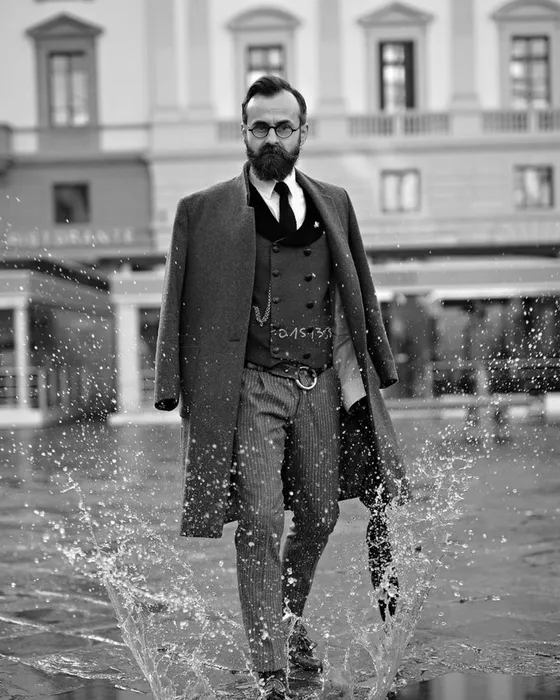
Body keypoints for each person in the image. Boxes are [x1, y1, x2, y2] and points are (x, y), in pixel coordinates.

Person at [154, 75, 409, 700]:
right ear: (244, 132)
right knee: (261, 519)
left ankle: (288, 620)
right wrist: (170, 382)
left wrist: (376, 361)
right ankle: (271, 664)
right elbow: (175, 301)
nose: (272, 137)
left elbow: (358, 283)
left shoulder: (335, 201)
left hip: (319, 384)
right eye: (260, 127)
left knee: (321, 516)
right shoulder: (201, 210)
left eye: (283, 127)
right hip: (249, 386)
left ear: (302, 132)